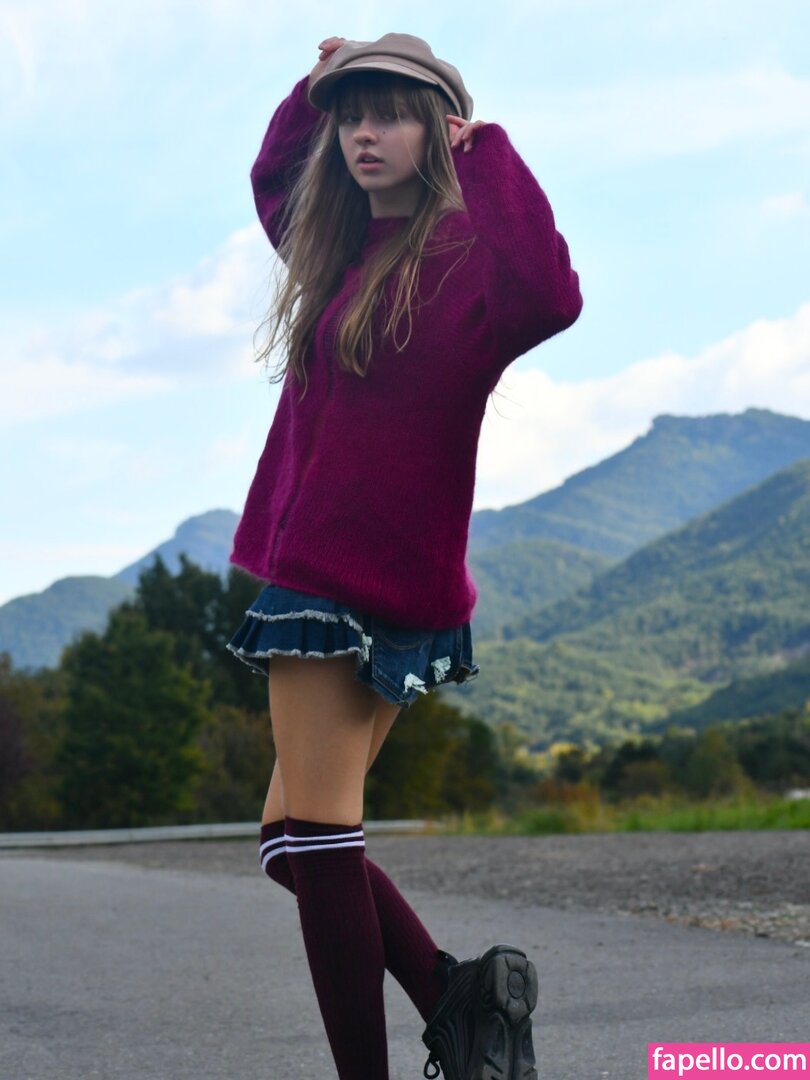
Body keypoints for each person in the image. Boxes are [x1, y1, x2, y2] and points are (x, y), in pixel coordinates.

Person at [226, 32, 582, 1080]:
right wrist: (312, 87)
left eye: (390, 114)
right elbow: (273, 180)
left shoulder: (470, 263)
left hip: (344, 578)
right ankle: (456, 1000)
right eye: (351, 118)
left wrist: (488, 152)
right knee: (293, 844)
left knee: (318, 842)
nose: (363, 134)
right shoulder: (339, 252)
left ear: (438, 128)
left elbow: (553, 295)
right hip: (377, 577)